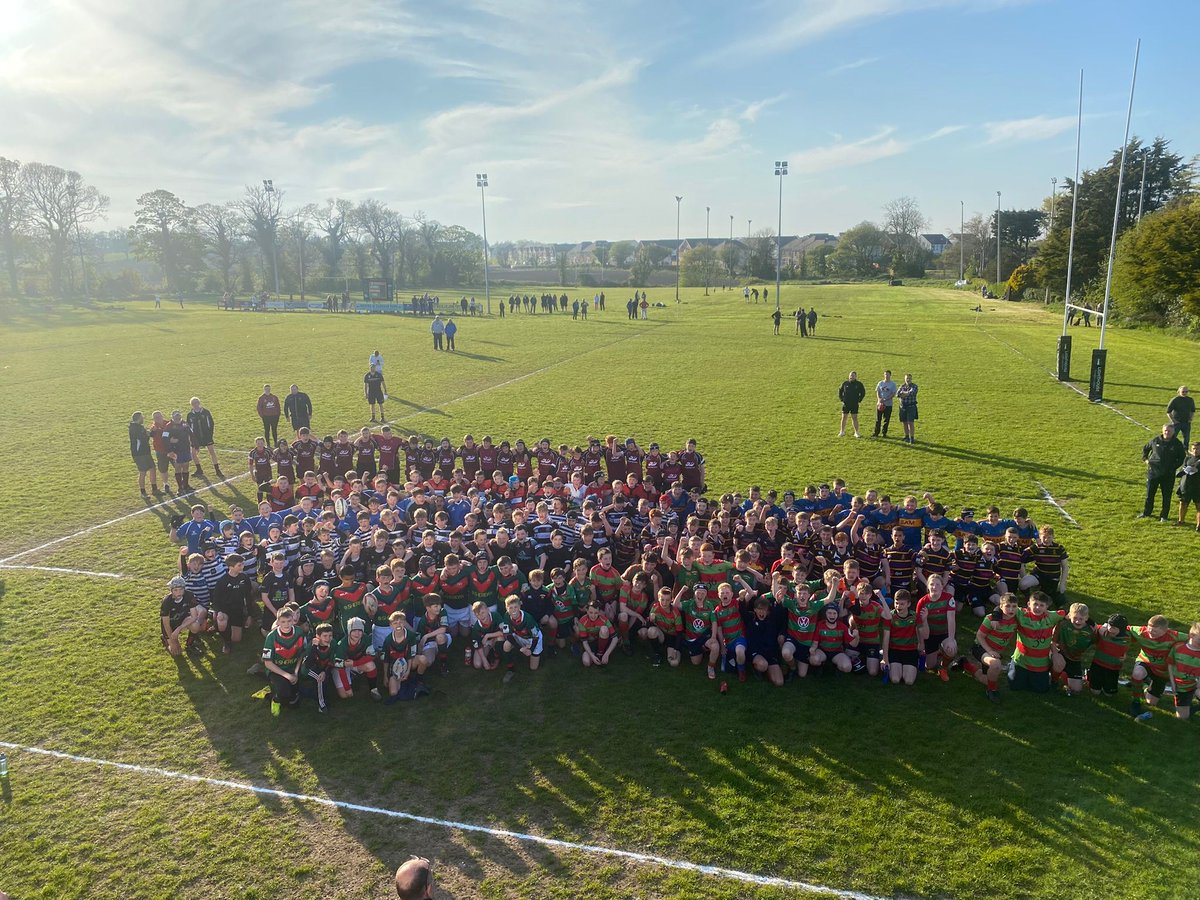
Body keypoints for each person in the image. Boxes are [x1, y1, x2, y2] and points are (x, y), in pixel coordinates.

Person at [261, 607, 305, 716]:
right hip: (277, 670)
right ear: (278, 622)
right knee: (284, 693)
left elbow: (301, 655)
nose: (286, 624)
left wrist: (295, 672)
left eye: (289, 621)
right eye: (283, 622)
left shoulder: (299, 632)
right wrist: (287, 676)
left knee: (294, 704)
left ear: (293, 619)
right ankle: (273, 698)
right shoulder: (271, 637)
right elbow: (268, 663)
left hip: (293, 669)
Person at [1140, 423, 1185, 521]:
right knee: (1150, 494)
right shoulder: (1155, 440)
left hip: (1168, 474)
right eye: (1165, 430)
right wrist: (1146, 460)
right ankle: (1146, 513)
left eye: (1169, 431)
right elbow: (1145, 449)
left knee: (1166, 496)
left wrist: (1173, 467)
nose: (1167, 432)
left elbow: (1182, 458)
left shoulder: (1177, 443)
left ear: (1173, 432)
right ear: (1162, 430)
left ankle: (1164, 516)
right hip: (1154, 472)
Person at [160, 575, 201, 656]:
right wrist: (172, 639)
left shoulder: (189, 595)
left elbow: (194, 616)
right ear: (171, 590)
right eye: (175, 590)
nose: (178, 592)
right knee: (176, 652)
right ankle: (166, 640)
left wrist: (179, 628)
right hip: (170, 625)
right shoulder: (166, 601)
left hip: (183, 620)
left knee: (196, 625)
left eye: (181, 589)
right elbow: (165, 623)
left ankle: (190, 644)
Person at [186, 397, 222, 479]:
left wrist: (210, 434)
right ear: (191, 405)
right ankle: (199, 469)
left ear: (199, 403)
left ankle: (217, 470)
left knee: (211, 452)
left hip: (206, 436)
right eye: (193, 403)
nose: (195, 405)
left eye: (196, 402)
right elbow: (188, 427)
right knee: (193, 453)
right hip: (196, 438)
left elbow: (211, 424)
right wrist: (191, 437)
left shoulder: (205, 412)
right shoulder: (190, 415)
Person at [129, 411, 158, 497]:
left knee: (152, 468)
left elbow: (148, 435)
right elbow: (143, 438)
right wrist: (150, 432)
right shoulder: (135, 428)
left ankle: (154, 489)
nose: (143, 419)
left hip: (145, 452)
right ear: (138, 418)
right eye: (142, 417)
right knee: (143, 472)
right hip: (139, 454)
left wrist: (152, 432)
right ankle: (143, 492)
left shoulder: (139, 427)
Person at [1177, 440, 1200, 530]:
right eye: (1194, 449)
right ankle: (1181, 521)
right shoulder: (1187, 458)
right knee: (1183, 503)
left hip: (1198, 486)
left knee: (1198, 506)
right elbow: (1183, 467)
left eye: (1198, 449)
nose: (1195, 450)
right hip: (1186, 485)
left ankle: (1199, 525)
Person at [837, 371, 866, 438]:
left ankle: (856, 432)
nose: (851, 377)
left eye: (853, 375)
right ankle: (842, 431)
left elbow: (863, 392)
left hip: (854, 404)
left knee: (854, 418)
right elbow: (840, 391)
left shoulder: (859, 384)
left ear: (855, 376)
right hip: (846, 404)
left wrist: (859, 400)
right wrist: (842, 399)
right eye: (850, 375)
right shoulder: (845, 383)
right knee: (844, 417)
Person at [873, 370, 897, 438]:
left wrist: (886, 399)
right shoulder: (880, 383)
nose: (886, 376)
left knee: (886, 420)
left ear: (890, 375)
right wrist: (879, 399)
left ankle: (884, 433)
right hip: (880, 404)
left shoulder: (893, 384)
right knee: (878, 419)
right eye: (885, 374)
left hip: (888, 404)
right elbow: (878, 391)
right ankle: (876, 433)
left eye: (888, 374)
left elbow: (893, 394)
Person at [897, 373, 918, 444]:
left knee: (910, 422)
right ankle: (906, 436)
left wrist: (904, 393)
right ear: (904, 379)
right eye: (906, 378)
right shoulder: (902, 386)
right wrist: (906, 393)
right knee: (904, 422)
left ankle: (911, 438)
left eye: (909, 378)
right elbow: (898, 394)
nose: (908, 380)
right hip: (902, 407)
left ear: (911, 379)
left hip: (911, 407)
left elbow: (911, 393)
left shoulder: (914, 386)